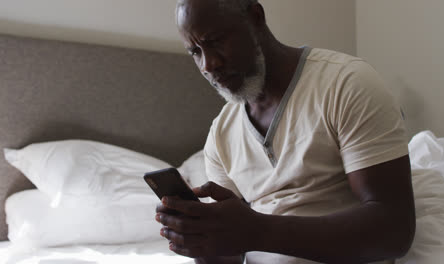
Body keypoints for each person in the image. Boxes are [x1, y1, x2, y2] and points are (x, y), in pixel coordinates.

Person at [156, 0, 416, 263]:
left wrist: (258, 231)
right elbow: (230, 251)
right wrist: (200, 239)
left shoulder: (346, 84)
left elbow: (394, 230)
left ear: (255, 17)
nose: (207, 65)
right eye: (195, 52)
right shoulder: (221, 134)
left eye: (216, 40)